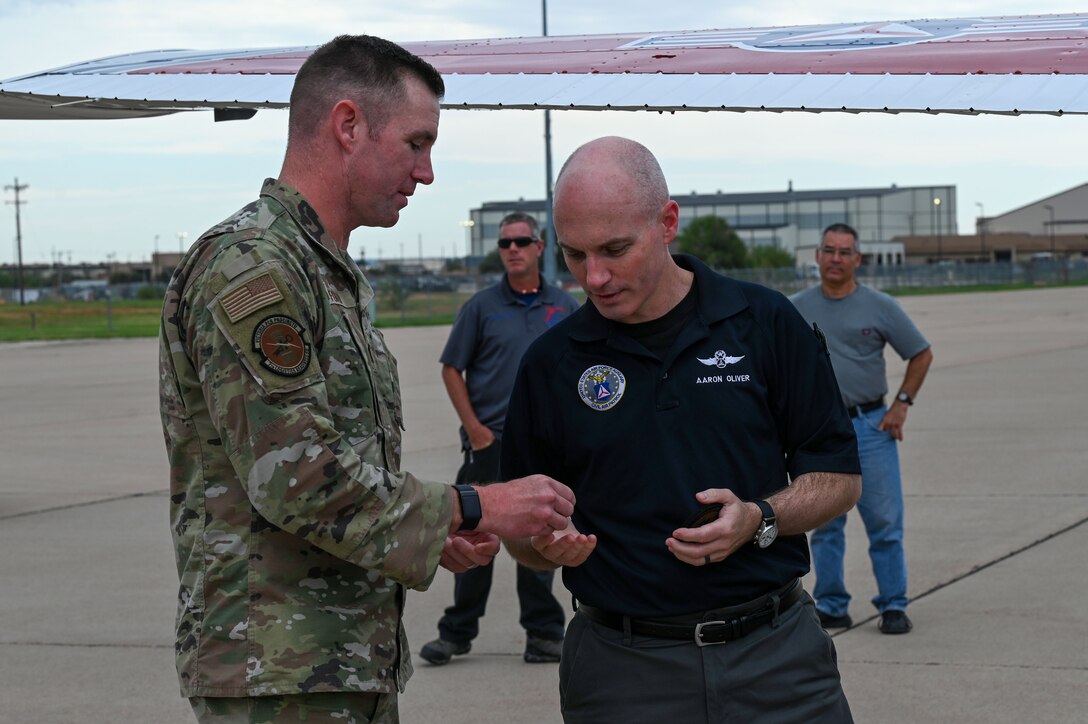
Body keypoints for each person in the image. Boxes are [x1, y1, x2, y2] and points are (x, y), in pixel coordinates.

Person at [158, 35, 576, 723]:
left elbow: (341, 473)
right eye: (416, 143)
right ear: (348, 125)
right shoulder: (254, 267)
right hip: (277, 671)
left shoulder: (327, 274)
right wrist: (474, 506)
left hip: (334, 657)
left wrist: (426, 534)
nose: (427, 172)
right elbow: (296, 477)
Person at [500, 136, 863, 723]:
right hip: (623, 673)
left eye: (616, 249)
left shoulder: (764, 323)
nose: (594, 277)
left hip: (777, 662)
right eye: (573, 255)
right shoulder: (551, 365)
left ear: (667, 222)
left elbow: (839, 478)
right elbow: (519, 531)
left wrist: (759, 519)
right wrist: (541, 546)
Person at [420, 212, 581, 666]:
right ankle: (456, 632)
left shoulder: (564, 308)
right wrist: (475, 428)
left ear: (539, 247)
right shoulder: (481, 307)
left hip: (542, 448)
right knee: (474, 541)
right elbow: (452, 367)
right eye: (505, 243)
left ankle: (544, 634)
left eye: (521, 241)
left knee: (539, 540)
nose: (512, 249)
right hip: (490, 445)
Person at [790, 223, 933, 635]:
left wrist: (901, 405)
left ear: (858, 259)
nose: (836, 259)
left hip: (871, 426)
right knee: (825, 524)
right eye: (829, 250)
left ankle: (893, 604)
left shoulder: (880, 305)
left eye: (845, 252)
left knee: (885, 521)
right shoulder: (794, 307)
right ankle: (833, 604)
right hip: (818, 431)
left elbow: (921, 354)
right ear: (817, 256)